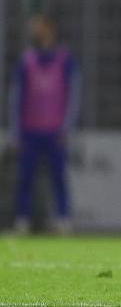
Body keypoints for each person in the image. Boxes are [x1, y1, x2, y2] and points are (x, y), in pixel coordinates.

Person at [8, 16, 80, 234]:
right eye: (34, 29)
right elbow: (16, 98)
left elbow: (73, 95)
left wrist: (67, 128)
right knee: (25, 177)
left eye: (41, 28)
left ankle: (63, 218)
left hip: (56, 130)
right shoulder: (26, 61)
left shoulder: (65, 60)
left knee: (59, 177)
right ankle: (22, 219)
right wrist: (16, 132)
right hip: (30, 130)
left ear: (51, 30)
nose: (37, 33)